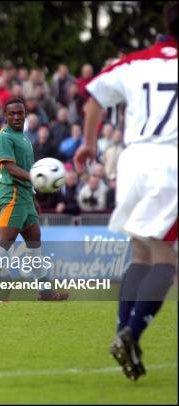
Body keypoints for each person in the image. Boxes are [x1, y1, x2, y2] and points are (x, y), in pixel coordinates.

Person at [74, 2, 177, 381]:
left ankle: (124, 332)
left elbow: (95, 100)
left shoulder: (135, 62)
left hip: (133, 161)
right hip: (171, 161)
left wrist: (87, 143)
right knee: (165, 258)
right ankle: (131, 333)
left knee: (139, 253)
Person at [0, 98, 68, 302]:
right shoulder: (4, 137)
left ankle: (45, 292)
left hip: (26, 196)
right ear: (6, 116)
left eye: (20, 113)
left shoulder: (24, 138)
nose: (17, 116)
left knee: (35, 245)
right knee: (2, 243)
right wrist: (36, 179)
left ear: (25, 114)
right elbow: (11, 168)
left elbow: (27, 167)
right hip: (13, 195)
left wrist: (33, 197)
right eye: (12, 113)